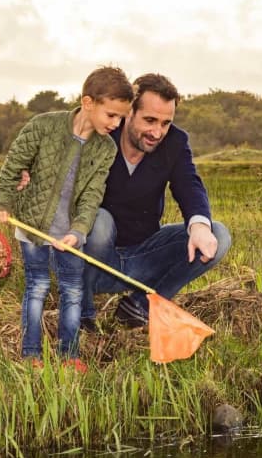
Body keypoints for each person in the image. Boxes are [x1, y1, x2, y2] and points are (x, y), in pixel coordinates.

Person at [0, 66, 133, 369]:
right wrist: (4, 201)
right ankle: (31, 354)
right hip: (31, 228)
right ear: (87, 103)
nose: (116, 123)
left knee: (72, 289)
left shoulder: (106, 149)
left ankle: (69, 356)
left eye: (121, 117)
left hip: (69, 235)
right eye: (111, 115)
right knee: (37, 287)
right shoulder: (43, 126)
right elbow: (14, 164)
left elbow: (93, 194)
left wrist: (79, 231)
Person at [81, 72, 231, 329]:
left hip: (142, 255)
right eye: (149, 120)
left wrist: (199, 227)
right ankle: (82, 313)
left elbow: (189, 184)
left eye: (165, 123)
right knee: (100, 221)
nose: (157, 132)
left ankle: (140, 306)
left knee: (219, 234)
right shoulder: (98, 134)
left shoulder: (175, 142)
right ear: (128, 111)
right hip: (92, 261)